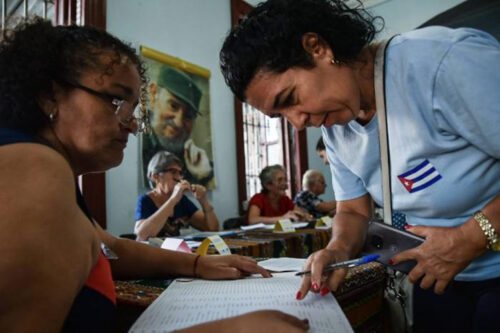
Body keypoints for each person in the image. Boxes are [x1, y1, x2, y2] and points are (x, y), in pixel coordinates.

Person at [0, 18, 309, 332]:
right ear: (49, 95)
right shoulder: (36, 167)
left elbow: (110, 247)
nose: (132, 124)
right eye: (117, 100)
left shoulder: (34, 164)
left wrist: (197, 264)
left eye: (134, 110)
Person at [219, 0, 500, 332]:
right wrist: (337, 250)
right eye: (279, 116)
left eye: (289, 99)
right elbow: (352, 210)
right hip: (436, 273)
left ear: (318, 48)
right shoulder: (336, 128)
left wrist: (471, 237)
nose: (296, 124)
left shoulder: (442, 64)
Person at [143, 66, 214, 187]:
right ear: (153, 94)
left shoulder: (194, 161)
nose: (179, 122)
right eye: (173, 106)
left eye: (188, 115)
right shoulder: (133, 145)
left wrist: (205, 176)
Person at [135, 150, 219, 240]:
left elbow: (213, 229)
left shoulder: (182, 201)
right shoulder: (145, 201)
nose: (179, 177)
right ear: (156, 177)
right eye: (173, 172)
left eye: (180, 173)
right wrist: (173, 199)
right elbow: (142, 235)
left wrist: (203, 200)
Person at [247, 165, 312, 225]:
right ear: (268, 185)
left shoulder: (285, 199)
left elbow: (300, 212)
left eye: (285, 180)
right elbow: (252, 220)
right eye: (280, 180)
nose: (285, 184)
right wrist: (281, 219)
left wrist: (303, 216)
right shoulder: (258, 198)